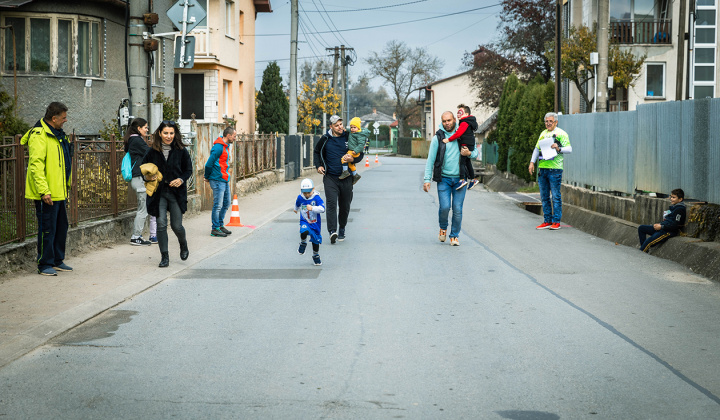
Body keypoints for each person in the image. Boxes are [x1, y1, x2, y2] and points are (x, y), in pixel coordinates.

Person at [21, 102, 73, 276]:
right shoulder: (39, 135)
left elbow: (64, 162)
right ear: (54, 118)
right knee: (48, 228)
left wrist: (67, 186)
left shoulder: (58, 134)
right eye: (63, 117)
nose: (65, 120)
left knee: (60, 227)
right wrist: (44, 191)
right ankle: (44, 264)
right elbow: (36, 165)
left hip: (59, 190)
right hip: (47, 192)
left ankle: (57, 260)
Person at [141, 121, 193, 267]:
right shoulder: (152, 151)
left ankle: (183, 245)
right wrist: (148, 177)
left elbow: (188, 170)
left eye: (171, 133)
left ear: (175, 134)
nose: (168, 136)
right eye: (165, 133)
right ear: (159, 133)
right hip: (159, 193)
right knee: (161, 224)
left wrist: (181, 179)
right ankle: (165, 257)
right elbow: (142, 170)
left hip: (176, 193)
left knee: (177, 226)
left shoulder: (181, 150)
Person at [423, 111, 478, 246]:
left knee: (457, 209)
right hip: (444, 179)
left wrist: (469, 153)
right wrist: (427, 179)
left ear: (454, 119)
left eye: (449, 120)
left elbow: (475, 152)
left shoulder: (463, 133)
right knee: (445, 207)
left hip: (461, 179)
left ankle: (454, 236)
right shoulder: (438, 137)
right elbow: (430, 159)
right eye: (444, 121)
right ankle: (443, 228)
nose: (447, 123)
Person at [314, 115, 364, 244]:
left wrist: (353, 159)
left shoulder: (349, 136)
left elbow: (360, 154)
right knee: (331, 204)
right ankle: (332, 231)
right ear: (331, 127)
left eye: (341, 124)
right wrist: (318, 165)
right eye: (337, 125)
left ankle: (342, 227)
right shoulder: (325, 139)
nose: (340, 127)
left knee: (345, 205)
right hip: (330, 177)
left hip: (346, 178)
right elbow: (316, 152)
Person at [528, 112, 572, 230]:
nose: (548, 123)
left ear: (556, 122)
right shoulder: (542, 134)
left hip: (555, 169)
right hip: (543, 169)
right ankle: (547, 220)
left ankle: (556, 221)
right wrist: (532, 162)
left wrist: (559, 148)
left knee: (556, 196)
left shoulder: (561, 133)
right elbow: (537, 149)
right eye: (546, 121)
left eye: (550, 121)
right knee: (544, 196)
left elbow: (569, 149)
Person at [124, 118, 152, 246]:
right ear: (139, 128)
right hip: (138, 178)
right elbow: (150, 153)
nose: (147, 129)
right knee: (143, 209)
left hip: (138, 178)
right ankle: (136, 236)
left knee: (143, 208)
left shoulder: (132, 139)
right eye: (145, 127)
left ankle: (137, 236)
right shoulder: (136, 140)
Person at [204, 126, 236, 237]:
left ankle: (220, 225)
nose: (235, 138)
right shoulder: (218, 147)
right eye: (234, 136)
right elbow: (208, 164)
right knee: (218, 205)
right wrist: (207, 176)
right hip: (217, 179)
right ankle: (215, 228)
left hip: (224, 179)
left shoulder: (225, 146)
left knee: (226, 203)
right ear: (229, 135)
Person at [442, 104, 479, 190]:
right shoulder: (469, 122)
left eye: (460, 112)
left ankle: (462, 180)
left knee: (462, 163)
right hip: (470, 144)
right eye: (458, 113)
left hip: (466, 144)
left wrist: (449, 140)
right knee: (467, 162)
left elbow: (458, 133)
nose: (458, 114)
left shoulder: (464, 122)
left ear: (466, 114)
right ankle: (473, 179)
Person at [294, 178, 325, 266]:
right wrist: (295, 209)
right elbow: (297, 203)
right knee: (303, 230)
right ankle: (303, 242)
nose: (307, 195)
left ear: (313, 189)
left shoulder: (316, 198)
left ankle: (316, 255)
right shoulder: (300, 197)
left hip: (315, 223)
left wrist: (313, 208)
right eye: (305, 193)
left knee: (315, 240)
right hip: (305, 220)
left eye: (309, 192)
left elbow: (322, 209)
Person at [339, 117, 369, 185]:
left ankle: (345, 172)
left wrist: (356, 150)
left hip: (354, 151)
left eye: (354, 127)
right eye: (351, 127)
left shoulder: (360, 135)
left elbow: (361, 145)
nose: (352, 129)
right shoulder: (352, 132)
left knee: (344, 159)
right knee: (350, 164)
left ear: (358, 128)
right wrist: (345, 129)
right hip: (351, 150)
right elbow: (348, 130)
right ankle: (355, 175)